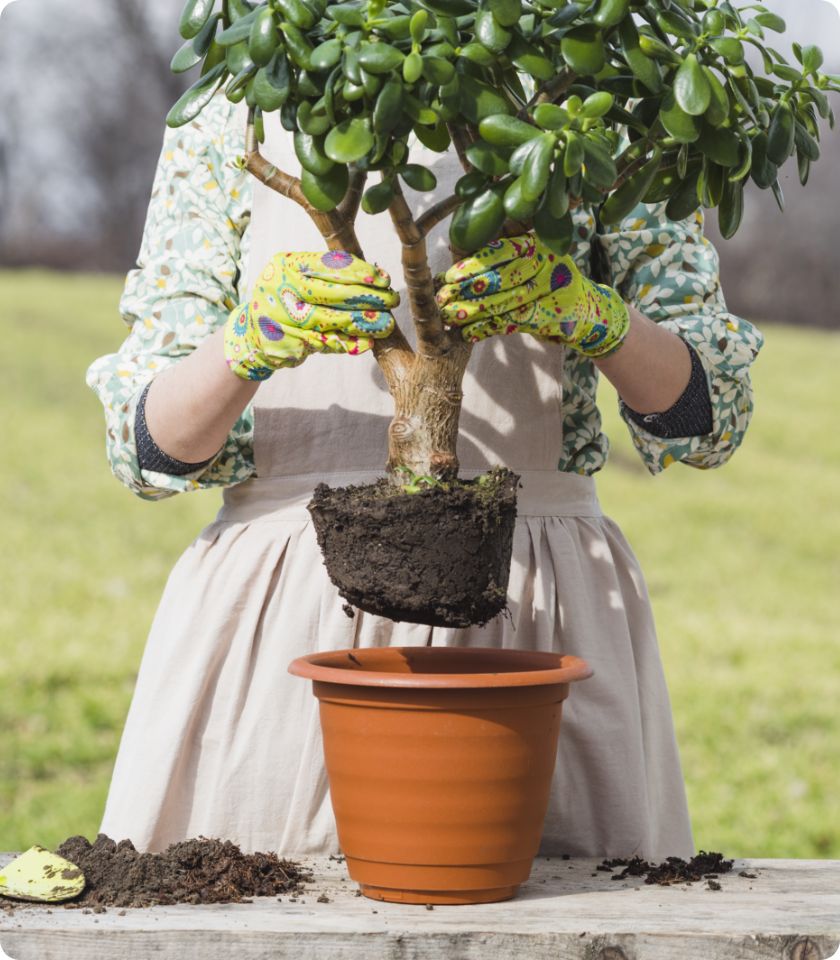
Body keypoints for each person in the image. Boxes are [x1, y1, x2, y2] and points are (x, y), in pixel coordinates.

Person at [86, 89, 763, 859]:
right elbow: (144, 451)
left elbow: (711, 421)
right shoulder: (233, 110)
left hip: (535, 613)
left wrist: (595, 316)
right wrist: (249, 337)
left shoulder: (599, 100)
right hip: (279, 623)